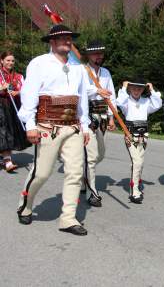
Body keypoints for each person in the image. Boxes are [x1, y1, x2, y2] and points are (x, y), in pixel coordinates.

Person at [16, 24, 90, 236]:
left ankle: (68, 218)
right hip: (47, 125)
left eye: (69, 38)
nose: (68, 41)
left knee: (75, 173)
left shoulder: (78, 67)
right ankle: (25, 205)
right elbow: (29, 94)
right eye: (62, 38)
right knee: (41, 172)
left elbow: (82, 98)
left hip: (73, 127)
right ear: (52, 42)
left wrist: (84, 126)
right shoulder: (39, 63)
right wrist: (30, 125)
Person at [81, 40, 117, 207]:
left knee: (99, 154)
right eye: (96, 54)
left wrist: (111, 117)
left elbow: (111, 96)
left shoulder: (106, 73)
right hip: (87, 116)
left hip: (102, 117)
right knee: (92, 156)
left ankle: (83, 177)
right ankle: (92, 192)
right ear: (88, 55)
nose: (99, 56)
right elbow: (79, 91)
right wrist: (96, 90)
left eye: (101, 53)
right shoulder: (82, 70)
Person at [116, 80, 162, 204]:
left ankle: (137, 182)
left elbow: (158, 105)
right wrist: (124, 87)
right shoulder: (126, 102)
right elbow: (119, 102)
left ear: (143, 90)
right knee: (136, 162)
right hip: (130, 134)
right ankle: (134, 190)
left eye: (139, 89)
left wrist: (152, 89)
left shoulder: (145, 102)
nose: (136, 91)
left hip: (143, 135)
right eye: (134, 88)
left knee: (140, 162)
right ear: (130, 89)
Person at [0, 51, 30, 171]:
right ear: (2, 61)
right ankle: (7, 160)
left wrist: (18, 92)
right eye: (8, 60)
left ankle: (6, 159)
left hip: (13, 107)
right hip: (1, 107)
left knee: (9, 133)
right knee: (3, 132)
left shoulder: (19, 76)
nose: (10, 63)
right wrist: (2, 88)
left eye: (12, 60)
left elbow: (26, 90)